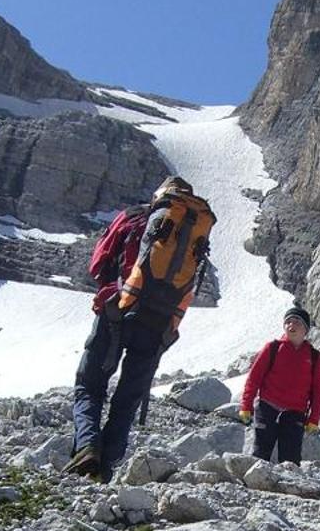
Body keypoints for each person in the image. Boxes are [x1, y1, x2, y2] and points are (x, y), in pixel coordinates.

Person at [66, 176, 214, 482]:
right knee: (128, 397)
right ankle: (104, 469)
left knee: (90, 385)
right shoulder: (195, 232)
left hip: (116, 308)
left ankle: (87, 448)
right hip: (159, 324)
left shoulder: (135, 217)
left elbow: (98, 264)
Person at [239, 306, 320, 465]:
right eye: (288, 322)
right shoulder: (272, 348)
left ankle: (289, 489)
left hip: (295, 413)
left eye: (297, 322)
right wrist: (246, 405)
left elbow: (319, 390)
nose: (291, 326)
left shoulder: (315, 357)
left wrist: (314, 418)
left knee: (291, 460)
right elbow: (254, 378)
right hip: (267, 407)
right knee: (260, 453)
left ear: (306, 329)